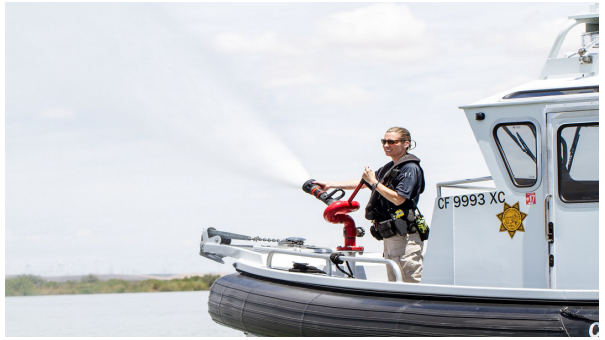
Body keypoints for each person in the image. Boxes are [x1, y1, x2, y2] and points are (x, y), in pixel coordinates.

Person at [314, 127, 425, 283]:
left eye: (392, 141)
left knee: (409, 281)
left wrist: (374, 181)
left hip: (404, 237)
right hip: (392, 236)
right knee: (394, 281)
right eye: (384, 141)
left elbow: (398, 199)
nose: (386, 145)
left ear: (406, 144)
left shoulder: (410, 168)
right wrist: (330, 184)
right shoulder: (390, 167)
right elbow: (364, 183)